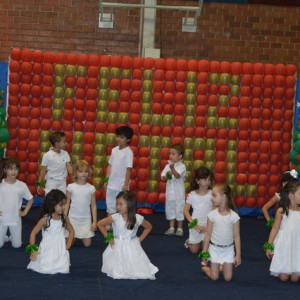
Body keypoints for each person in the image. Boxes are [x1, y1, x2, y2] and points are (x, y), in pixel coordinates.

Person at [97, 191, 158, 280]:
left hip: (132, 245)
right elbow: (100, 224)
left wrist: (139, 239)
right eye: (117, 204)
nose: (118, 206)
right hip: (117, 245)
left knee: (137, 268)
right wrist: (109, 238)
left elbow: (149, 227)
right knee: (118, 269)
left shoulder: (138, 218)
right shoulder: (115, 217)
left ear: (129, 205)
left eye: (121, 204)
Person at [27, 189, 74, 274]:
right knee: (46, 267)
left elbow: (71, 230)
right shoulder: (45, 219)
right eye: (61, 205)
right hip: (47, 247)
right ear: (52, 204)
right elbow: (33, 233)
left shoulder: (64, 217)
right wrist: (33, 250)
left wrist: (68, 244)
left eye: (64, 204)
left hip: (60, 248)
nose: (64, 207)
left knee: (63, 268)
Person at [201, 184, 241, 281]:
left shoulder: (234, 216)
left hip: (228, 250)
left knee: (228, 278)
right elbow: (208, 235)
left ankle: (220, 267)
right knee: (214, 277)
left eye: (214, 195)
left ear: (224, 196)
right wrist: (204, 252)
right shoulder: (212, 215)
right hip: (215, 249)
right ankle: (205, 269)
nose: (211, 198)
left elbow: (236, 236)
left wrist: (238, 254)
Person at [265, 181, 300, 282]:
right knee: (283, 278)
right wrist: (269, 245)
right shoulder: (281, 211)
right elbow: (275, 228)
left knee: (294, 278)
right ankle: (283, 267)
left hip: (297, 244)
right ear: (291, 195)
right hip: (284, 244)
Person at [0, 157, 33, 248]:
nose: (13, 171)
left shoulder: (22, 185)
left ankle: (11, 237)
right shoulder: (1, 184)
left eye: (16, 168)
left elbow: (30, 199)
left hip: (15, 219)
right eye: (10, 169)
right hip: (2, 219)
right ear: (5, 170)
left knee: (17, 245)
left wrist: (25, 212)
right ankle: (4, 237)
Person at [64, 160, 97, 247]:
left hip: (85, 219)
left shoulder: (91, 188)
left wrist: (94, 222)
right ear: (75, 172)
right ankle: (72, 235)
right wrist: (65, 219)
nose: (83, 174)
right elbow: (67, 204)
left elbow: (93, 206)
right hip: (72, 218)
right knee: (69, 244)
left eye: (86, 171)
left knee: (87, 245)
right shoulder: (71, 187)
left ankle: (81, 235)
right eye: (81, 171)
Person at [104, 125, 134, 218]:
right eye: (118, 136)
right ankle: (110, 230)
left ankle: (121, 229)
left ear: (128, 139)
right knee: (110, 207)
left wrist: (125, 185)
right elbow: (110, 165)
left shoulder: (128, 152)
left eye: (122, 137)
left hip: (120, 186)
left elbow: (129, 169)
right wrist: (106, 181)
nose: (119, 139)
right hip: (111, 185)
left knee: (121, 208)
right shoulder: (114, 150)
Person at [184, 167, 213, 254]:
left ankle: (203, 242)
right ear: (198, 181)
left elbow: (214, 211)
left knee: (206, 250)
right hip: (195, 223)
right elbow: (186, 211)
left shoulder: (212, 194)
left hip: (208, 224)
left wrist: (209, 226)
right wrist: (194, 225)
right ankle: (190, 241)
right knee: (194, 251)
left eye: (209, 179)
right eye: (205, 179)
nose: (208, 182)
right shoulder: (192, 195)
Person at [161, 144, 186, 236]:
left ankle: (179, 228)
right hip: (170, 193)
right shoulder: (167, 166)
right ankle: (171, 227)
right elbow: (163, 178)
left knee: (179, 210)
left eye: (173, 154)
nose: (170, 155)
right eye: (170, 153)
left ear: (180, 156)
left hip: (179, 194)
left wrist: (172, 169)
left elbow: (178, 176)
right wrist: (169, 171)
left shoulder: (182, 166)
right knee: (170, 209)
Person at [37, 131, 73, 195]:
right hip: (51, 182)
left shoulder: (65, 154)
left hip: (62, 182)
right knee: (50, 200)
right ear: (56, 144)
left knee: (62, 200)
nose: (66, 143)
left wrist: (76, 178)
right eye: (64, 142)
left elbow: (69, 168)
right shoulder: (47, 155)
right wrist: (39, 184)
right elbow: (43, 171)